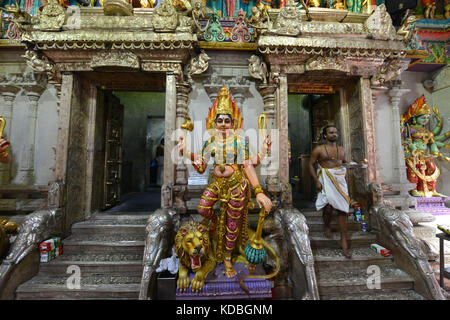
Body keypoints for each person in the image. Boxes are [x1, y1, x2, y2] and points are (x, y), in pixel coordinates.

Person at [178, 86, 272, 278]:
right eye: (219, 120)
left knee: (232, 226)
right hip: (216, 184)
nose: (223, 124)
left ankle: (228, 257)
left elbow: (248, 166)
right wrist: (186, 152)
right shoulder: (210, 141)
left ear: (232, 122)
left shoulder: (240, 141)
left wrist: (259, 191)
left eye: (226, 121)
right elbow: (202, 167)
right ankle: (216, 223)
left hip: (237, 185)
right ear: (214, 122)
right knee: (203, 208)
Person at [309, 125, 352, 259]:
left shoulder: (342, 149)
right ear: (325, 135)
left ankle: (343, 241)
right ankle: (327, 225)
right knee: (327, 208)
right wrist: (316, 180)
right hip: (325, 180)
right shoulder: (319, 150)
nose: (334, 134)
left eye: (336, 132)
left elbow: (343, 163)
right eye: (331, 132)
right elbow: (311, 164)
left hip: (339, 181)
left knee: (343, 209)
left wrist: (355, 165)